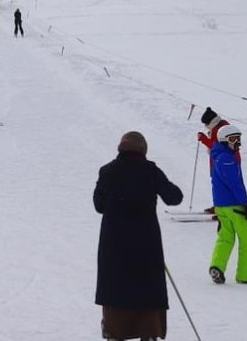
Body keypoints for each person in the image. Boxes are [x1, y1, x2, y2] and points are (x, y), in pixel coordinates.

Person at [94, 131, 182, 341]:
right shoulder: (150, 171)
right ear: (143, 149)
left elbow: (99, 205)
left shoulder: (108, 171)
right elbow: (174, 197)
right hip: (146, 242)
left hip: (115, 243)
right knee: (147, 289)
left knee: (116, 288)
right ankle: (149, 333)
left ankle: (115, 333)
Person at [208, 123, 247, 285]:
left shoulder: (218, 155)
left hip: (221, 206)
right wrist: (246, 204)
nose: (237, 142)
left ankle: (217, 266)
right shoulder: (227, 159)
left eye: (239, 139)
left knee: (225, 238)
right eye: (233, 139)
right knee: (246, 241)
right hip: (235, 206)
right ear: (224, 140)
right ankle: (245, 275)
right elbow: (235, 184)